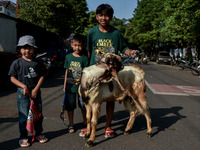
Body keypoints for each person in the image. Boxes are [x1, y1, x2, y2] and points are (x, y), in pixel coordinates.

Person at [79, 4, 137, 138]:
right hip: (95, 73)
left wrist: (131, 52)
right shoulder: (92, 32)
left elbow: (123, 48)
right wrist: (87, 69)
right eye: (100, 15)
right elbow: (88, 51)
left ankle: (108, 126)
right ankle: (88, 126)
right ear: (96, 16)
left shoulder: (116, 33)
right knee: (91, 101)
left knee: (110, 100)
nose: (103, 18)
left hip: (111, 73)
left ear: (111, 17)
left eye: (106, 15)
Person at [8, 35, 48, 147]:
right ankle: (23, 136)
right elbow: (12, 78)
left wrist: (35, 89)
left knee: (38, 114)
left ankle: (39, 133)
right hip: (22, 93)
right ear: (20, 49)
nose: (27, 50)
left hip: (36, 92)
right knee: (24, 115)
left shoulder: (38, 62)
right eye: (24, 48)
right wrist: (24, 87)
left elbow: (42, 76)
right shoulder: (17, 63)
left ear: (34, 49)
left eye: (30, 48)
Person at [63, 34, 89, 133]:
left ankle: (85, 121)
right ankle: (71, 124)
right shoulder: (68, 57)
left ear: (83, 46)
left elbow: (86, 73)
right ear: (71, 45)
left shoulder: (85, 58)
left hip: (81, 88)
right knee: (70, 106)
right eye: (75, 45)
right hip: (70, 87)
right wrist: (65, 85)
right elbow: (66, 72)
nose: (77, 48)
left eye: (79, 45)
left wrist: (86, 87)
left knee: (83, 105)